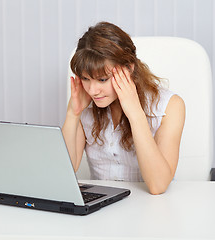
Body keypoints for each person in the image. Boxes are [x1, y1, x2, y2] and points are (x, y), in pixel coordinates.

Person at [62, 22, 185, 195]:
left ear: (128, 69)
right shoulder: (86, 102)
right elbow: (66, 169)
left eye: (103, 79)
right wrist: (72, 114)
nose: (92, 90)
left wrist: (135, 114)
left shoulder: (169, 106)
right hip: (102, 208)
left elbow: (158, 185)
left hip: (151, 208)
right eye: (85, 78)